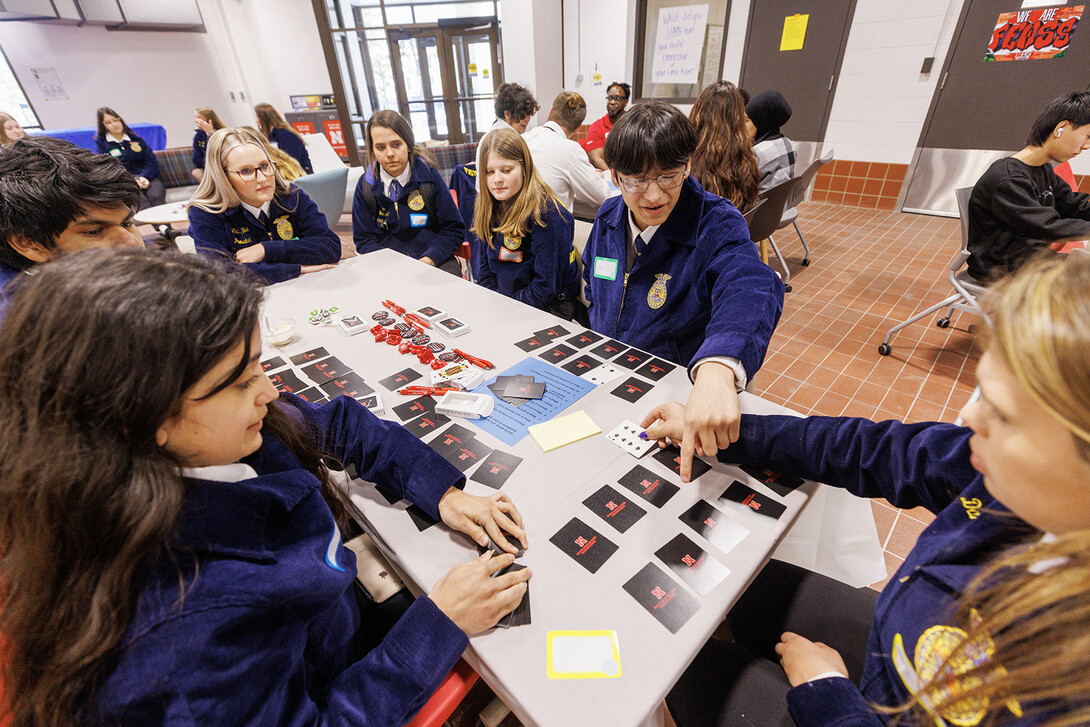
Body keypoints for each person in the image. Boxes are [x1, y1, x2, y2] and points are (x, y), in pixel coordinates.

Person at [0, 247, 532, 727]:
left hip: (327, 633)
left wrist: (443, 492)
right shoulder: (184, 635)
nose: (270, 391)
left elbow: (338, 425)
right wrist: (437, 625)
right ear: (140, 418)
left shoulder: (203, 434)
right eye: (238, 382)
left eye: (258, 366)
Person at [654, 250, 1090, 727]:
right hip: (901, 645)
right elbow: (872, 449)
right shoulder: (1002, 474)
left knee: (675, 670)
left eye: (1004, 415)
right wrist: (733, 434)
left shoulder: (1063, 677)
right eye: (981, 392)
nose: (969, 419)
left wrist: (829, 696)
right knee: (732, 589)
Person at [582, 100, 783, 476]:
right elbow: (592, 279)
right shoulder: (609, 215)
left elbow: (750, 285)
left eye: (668, 176)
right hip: (614, 382)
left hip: (676, 391)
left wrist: (718, 369)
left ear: (688, 164)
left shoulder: (717, 222)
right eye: (636, 180)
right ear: (613, 174)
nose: (654, 196)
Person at [0, 136, 142, 311]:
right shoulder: (43, 329)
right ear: (29, 244)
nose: (133, 243)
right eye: (94, 231)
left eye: (127, 223)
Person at [187, 127, 340, 284]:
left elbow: (330, 247)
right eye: (246, 171)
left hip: (306, 287)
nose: (262, 178)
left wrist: (265, 250)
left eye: (265, 166)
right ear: (223, 177)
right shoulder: (205, 213)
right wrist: (296, 269)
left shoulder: (292, 196)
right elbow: (220, 274)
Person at [967, 91, 1090, 282]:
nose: (1086, 146)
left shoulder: (1042, 170)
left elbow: (1072, 203)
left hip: (1029, 261)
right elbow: (1048, 227)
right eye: (1087, 136)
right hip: (1001, 271)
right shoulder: (1008, 179)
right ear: (1061, 128)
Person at [473, 128, 579, 318]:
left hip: (547, 307)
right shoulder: (491, 206)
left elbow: (545, 287)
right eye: (490, 172)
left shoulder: (547, 214)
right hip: (507, 302)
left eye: (506, 170)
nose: (497, 179)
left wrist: (505, 310)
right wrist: (491, 303)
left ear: (525, 168)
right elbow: (485, 272)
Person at [353, 110, 465, 271]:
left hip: (434, 260)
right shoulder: (366, 186)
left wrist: (429, 259)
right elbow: (364, 239)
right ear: (372, 150)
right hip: (388, 266)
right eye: (380, 147)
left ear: (409, 144)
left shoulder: (429, 178)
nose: (389, 153)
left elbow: (453, 229)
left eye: (396, 144)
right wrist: (394, 265)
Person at [523, 91, 612, 217]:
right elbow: (602, 196)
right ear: (578, 127)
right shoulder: (571, 150)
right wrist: (598, 178)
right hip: (551, 229)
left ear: (551, 111)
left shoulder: (522, 139)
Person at [689, 81, 761, 213]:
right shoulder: (747, 160)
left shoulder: (688, 161)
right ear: (738, 118)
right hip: (733, 227)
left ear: (699, 112)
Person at [93, 106, 166, 210]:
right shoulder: (102, 143)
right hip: (125, 182)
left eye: (115, 120)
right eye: (108, 122)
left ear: (120, 120)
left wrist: (144, 176)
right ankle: (161, 227)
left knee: (155, 195)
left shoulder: (136, 139)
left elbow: (150, 160)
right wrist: (131, 180)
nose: (114, 124)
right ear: (103, 126)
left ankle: (163, 226)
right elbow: (107, 167)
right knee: (140, 200)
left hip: (148, 178)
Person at [745, 90, 796, 193]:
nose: (742, 125)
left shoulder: (757, 154)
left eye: (746, 120)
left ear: (761, 121)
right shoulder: (788, 144)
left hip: (759, 208)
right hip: (780, 206)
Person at [254, 102, 314, 175]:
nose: (256, 120)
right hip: (286, 174)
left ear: (264, 119)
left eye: (257, 117)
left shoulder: (285, 135)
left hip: (299, 175)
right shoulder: (270, 136)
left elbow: (292, 162)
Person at [583, 82, 631, 171]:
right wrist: (615, 177)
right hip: (608, 176)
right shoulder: (597, 127)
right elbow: (596, 159)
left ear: (626, 102)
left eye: (617, 98)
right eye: (610, 98)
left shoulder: (632, 123)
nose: (612, 102)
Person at [191, 105, 226, 182]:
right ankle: (212, 190)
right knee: (196, 172)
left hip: (222, 166)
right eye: (195, 118)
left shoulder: (222, 132)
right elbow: (196, 159)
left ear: (209, 120)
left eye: (199, 118)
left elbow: (220, 153)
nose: (196, 121)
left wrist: (210, 134)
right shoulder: (198, 136)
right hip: (207, 167)